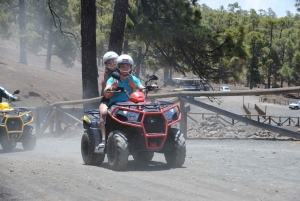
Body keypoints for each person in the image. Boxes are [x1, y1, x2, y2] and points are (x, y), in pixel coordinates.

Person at [95, 51, 119, 152]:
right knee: (104, 113)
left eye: (114, 62)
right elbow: (106, 93)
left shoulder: (124, 71)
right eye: (109, 63)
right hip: (107, 100)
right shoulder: (105, 76)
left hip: (123, 99)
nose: (112, 64)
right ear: (106, 65)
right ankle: (104, 139)